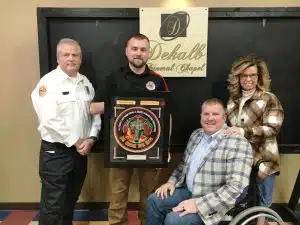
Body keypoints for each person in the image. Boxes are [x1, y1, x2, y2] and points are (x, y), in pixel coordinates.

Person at [90, 33, 169, 225]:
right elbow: (93, 108)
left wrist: (165, 147)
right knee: (117, 197)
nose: (138, 53)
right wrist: (119, 105)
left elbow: (168, 115)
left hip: (151, 147)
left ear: (148, 53)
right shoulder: (113, 78)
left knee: (148, 196)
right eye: (134, 49)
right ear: (126, 51)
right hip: (119, 147)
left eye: (143, 49)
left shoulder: (158, 80)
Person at [147, 98, 253, 225]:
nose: (210, 118)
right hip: (190, 191)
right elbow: (183, 165)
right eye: (206, 114)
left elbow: (236, 188)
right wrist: (171, 182)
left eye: (215, 114)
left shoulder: (238, 143)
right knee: (154, 200)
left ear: (224, 117)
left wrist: (198, 205)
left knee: (174, 219)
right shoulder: (196, 135)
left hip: (214, 201)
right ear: (201, 116)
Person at [31, 38, 101, 225]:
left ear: (80, 57)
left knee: (70, 200)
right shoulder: (48, 83)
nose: (71, 58)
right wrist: (78, 141)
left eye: (75, 54)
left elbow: (94, 114)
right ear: (58, 58)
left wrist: (92, 138)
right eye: (66, 54)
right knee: (53, 205)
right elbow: (50, 119)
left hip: (80, 154)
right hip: (56, 154)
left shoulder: (85, 83)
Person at [225, 55, 284, 225]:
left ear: (259, 77)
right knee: (242, 200)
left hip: (264, 160)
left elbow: (272, 129)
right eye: (244, 75)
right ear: (238, 77)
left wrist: (243, 132)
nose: (248, 79)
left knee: (264, 204)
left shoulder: (269, 98)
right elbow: (229, 127)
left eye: (253, 75)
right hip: (240, 161)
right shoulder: (232, 100)